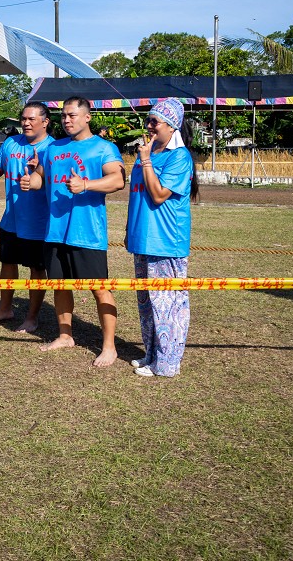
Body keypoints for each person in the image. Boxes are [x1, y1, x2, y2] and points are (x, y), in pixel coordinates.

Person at [21, 96, 125, 367]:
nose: (66, 121)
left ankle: (109, 346)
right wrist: (29, 180)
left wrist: (86, 185)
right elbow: (41, 177)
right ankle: (65, 335)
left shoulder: (103, 148)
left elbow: (117, 180)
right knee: (60, 286)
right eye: (64, 116)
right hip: (54, 231)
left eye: (72, 116)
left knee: (99, 289)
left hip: (87, 233)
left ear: (87, 117)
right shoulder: (53, 148)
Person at [126, 98, 198, 377]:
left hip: (165, 241)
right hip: (142, 238)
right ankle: (152, 354)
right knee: (147, 302)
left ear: (172, 125)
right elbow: (137, 196)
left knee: (167, 302)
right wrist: (129, 232)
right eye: (149, 120)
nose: (149, 125)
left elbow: (157, 195)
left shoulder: (179, 157)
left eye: (155, 121)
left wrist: (145, 160)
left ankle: (168, 364)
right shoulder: (150, 152)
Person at [0, 102, 55, 333]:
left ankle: (32, 316)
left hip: (39, 222)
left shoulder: (54, 148)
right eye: (23, 118)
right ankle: (5, 309)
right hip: (11, 219)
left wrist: (41, 171)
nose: (26, 123)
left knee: (36, 269)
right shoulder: (11, 143)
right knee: (7, 264)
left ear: (45, 122)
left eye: (31, 119)